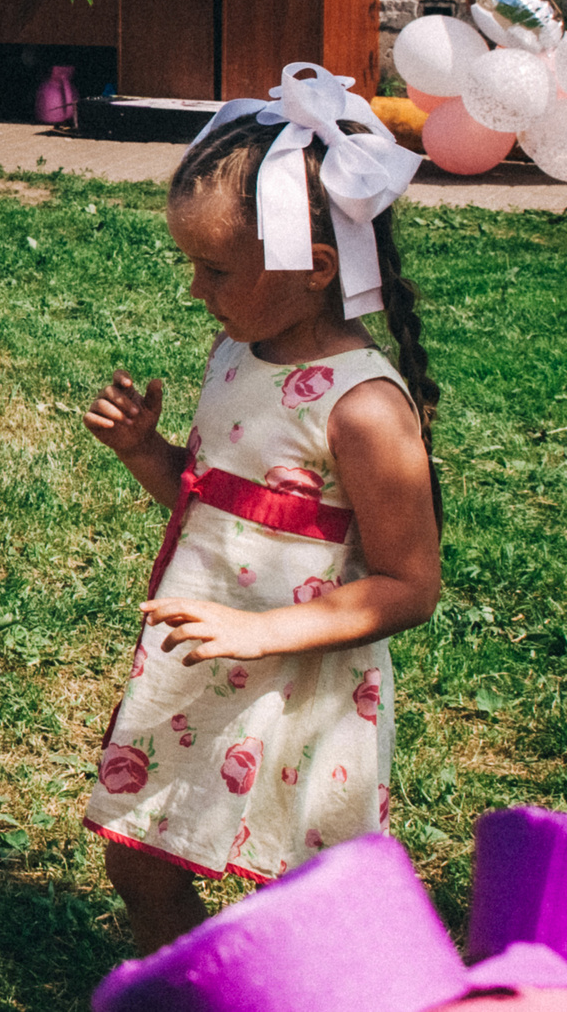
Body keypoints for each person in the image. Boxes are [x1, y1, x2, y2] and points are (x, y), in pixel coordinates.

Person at [79, 68, 442, 954]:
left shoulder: (363, 408)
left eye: (216, 268)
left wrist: (261, 632)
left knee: (286, 894)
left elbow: (410, 583)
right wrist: (147, 454)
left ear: (315, 269)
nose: (197, 290)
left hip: (300, 685)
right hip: (207, 658)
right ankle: (205, 986)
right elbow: (219, 506)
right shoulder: (236, 351)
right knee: (142, 858)